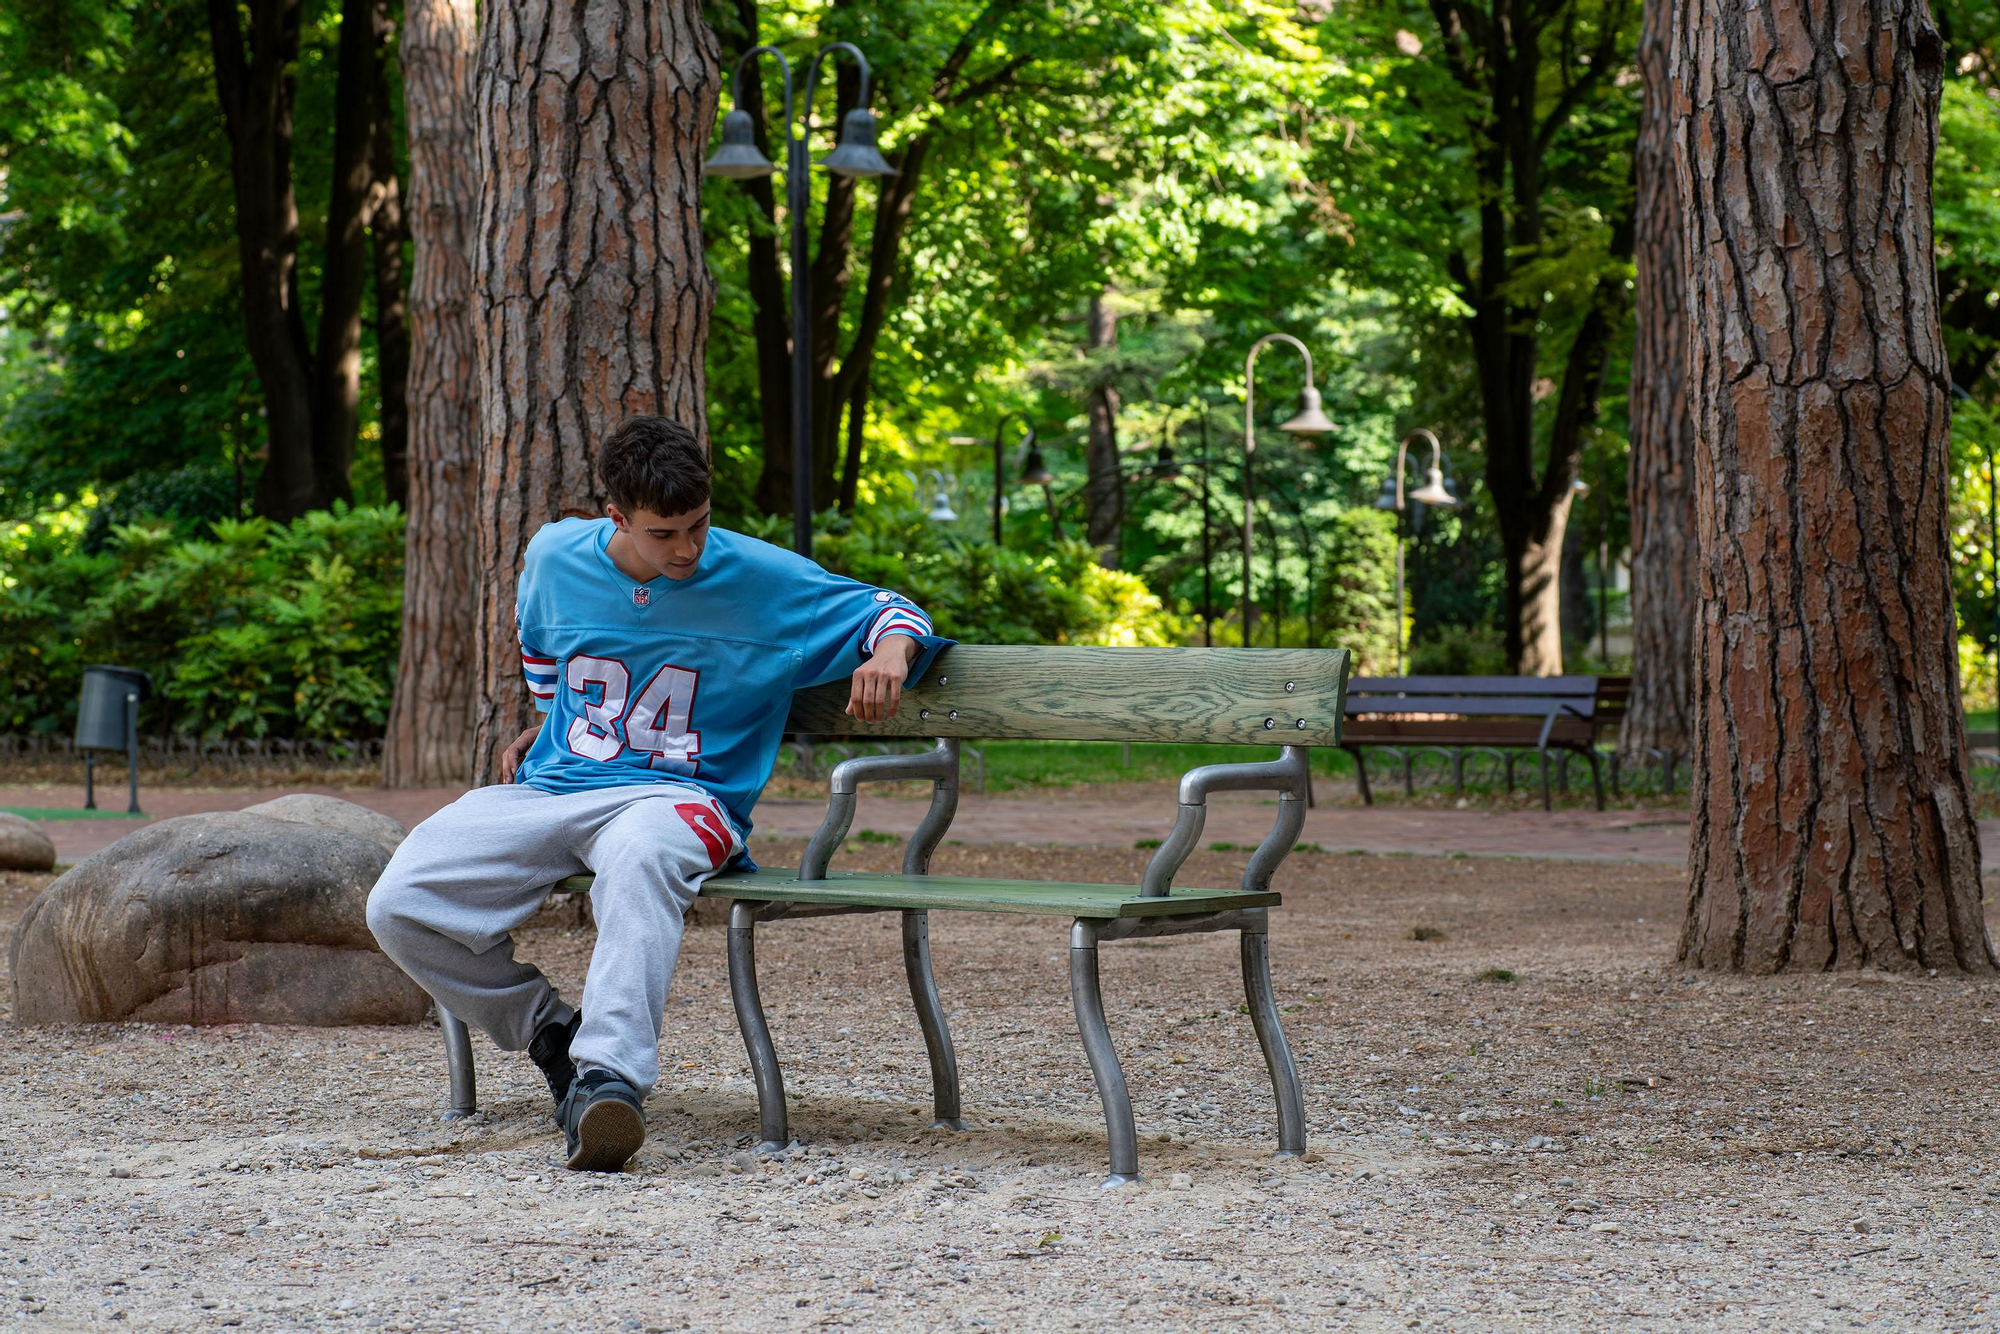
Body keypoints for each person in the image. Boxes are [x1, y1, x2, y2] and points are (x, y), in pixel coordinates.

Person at [366, 415, 948, 1172]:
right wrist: (547, 724)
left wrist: (893, 653)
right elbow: (543, 658)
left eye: (699, 526)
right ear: (616, 518)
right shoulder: (552, 556)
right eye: (664, 533)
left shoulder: (759, 578)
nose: (688, 549)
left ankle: (609, 1082)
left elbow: (890, 610)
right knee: (399, 903)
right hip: (555, 787)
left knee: (640, 855)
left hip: (683, 801)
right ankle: (552, 1039)